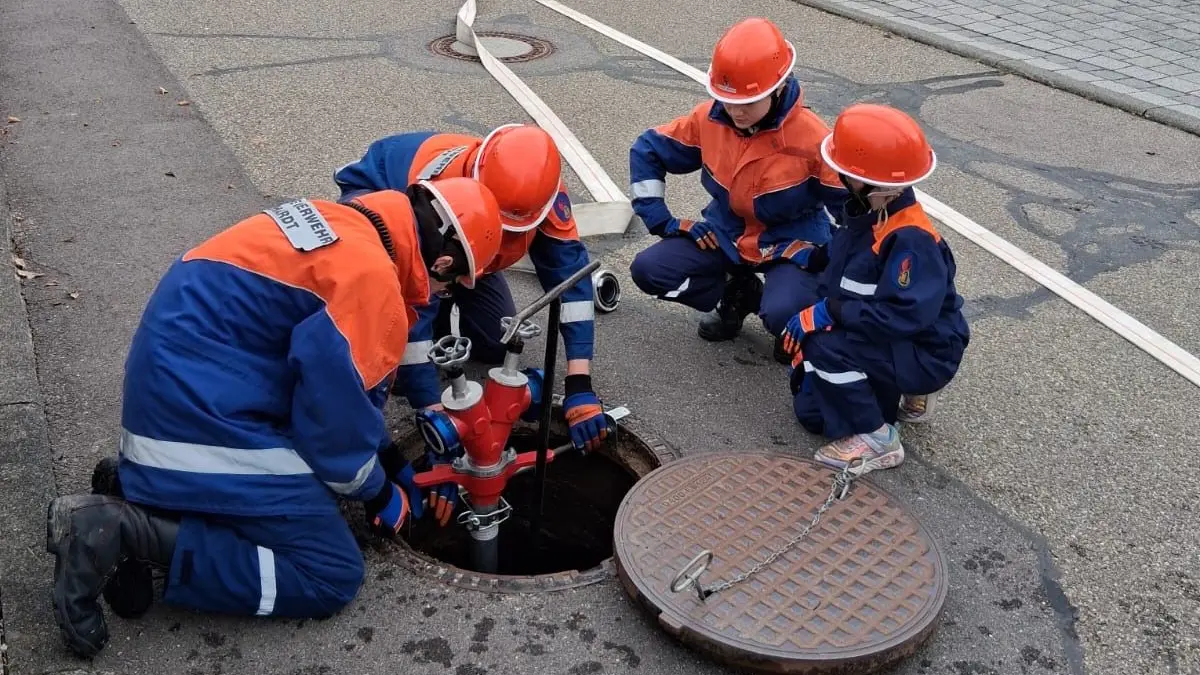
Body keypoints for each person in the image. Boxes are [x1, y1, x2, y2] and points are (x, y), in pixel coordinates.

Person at [44, 178, 505, 658]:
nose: (442, 294)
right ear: (443, 262)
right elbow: (333, 440)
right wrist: (380, 492)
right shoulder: (372, 283)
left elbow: (335, 389)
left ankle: (147, 494)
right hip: (196, 420)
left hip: (176, 397)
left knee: (321, 484)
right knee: (330, 572)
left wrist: (389, 458)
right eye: (452, 285)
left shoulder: (347, 224)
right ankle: (121, 532)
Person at [332, 124, 610, 452]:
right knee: (398, 351)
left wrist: (579, 381)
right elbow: (418, 294)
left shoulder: (540, 195)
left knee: (496, 343)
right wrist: (433, 413)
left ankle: (452, 290)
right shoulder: (437, 199)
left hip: (464, 251)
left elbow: (570, 281)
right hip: (384, 210)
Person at [627, 17, 848, 363]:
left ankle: (793, 321)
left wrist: (827, 258)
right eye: (727, 100)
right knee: (649, 271)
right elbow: (648, 150)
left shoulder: (814, 140)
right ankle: (739, 293)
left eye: (748, 102)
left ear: (778, 88)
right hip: (726, 233)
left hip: (793, 242)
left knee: (784, 313)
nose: (735, 112)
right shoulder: (709, 119)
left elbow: (856, 218)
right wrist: (662, 221)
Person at [783, 103, 970, 475]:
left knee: (823, 346)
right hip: (892, 338)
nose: (839, 177)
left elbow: (904, 316)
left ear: (878, 184)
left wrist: (829, 313)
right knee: (811, 414)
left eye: (846, 173)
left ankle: (879, 439)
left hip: (924, 349)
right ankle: (892, 392)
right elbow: (849, 259)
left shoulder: (911, 241)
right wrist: (811, 257)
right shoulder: (869, 210)